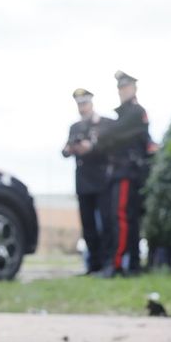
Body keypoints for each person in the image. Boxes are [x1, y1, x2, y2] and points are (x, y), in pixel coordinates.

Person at [80, 71, 150, 276]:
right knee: (128, 219)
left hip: (127, 171)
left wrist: (102, 137)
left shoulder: (135, 112)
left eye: (125, 87)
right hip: (124, 171)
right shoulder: (123, 115)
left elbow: (113, 134)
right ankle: (133, 265)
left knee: (121, 217)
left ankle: (117, 264)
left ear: (133, 88)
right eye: (120, 88)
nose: (122, 91)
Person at [61, 88, 114, 275]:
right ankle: (93, 265)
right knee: (88, 226)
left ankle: (109, 262)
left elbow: (108, 148)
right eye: (79, 104)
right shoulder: (75, 127)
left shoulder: (104, 124)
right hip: (83, 183)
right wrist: (71, 149)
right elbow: (65, 151)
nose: (82, 107)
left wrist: (90, 148)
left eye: (84, 103)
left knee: (106, 223)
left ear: (91, 103)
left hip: (101, 182)